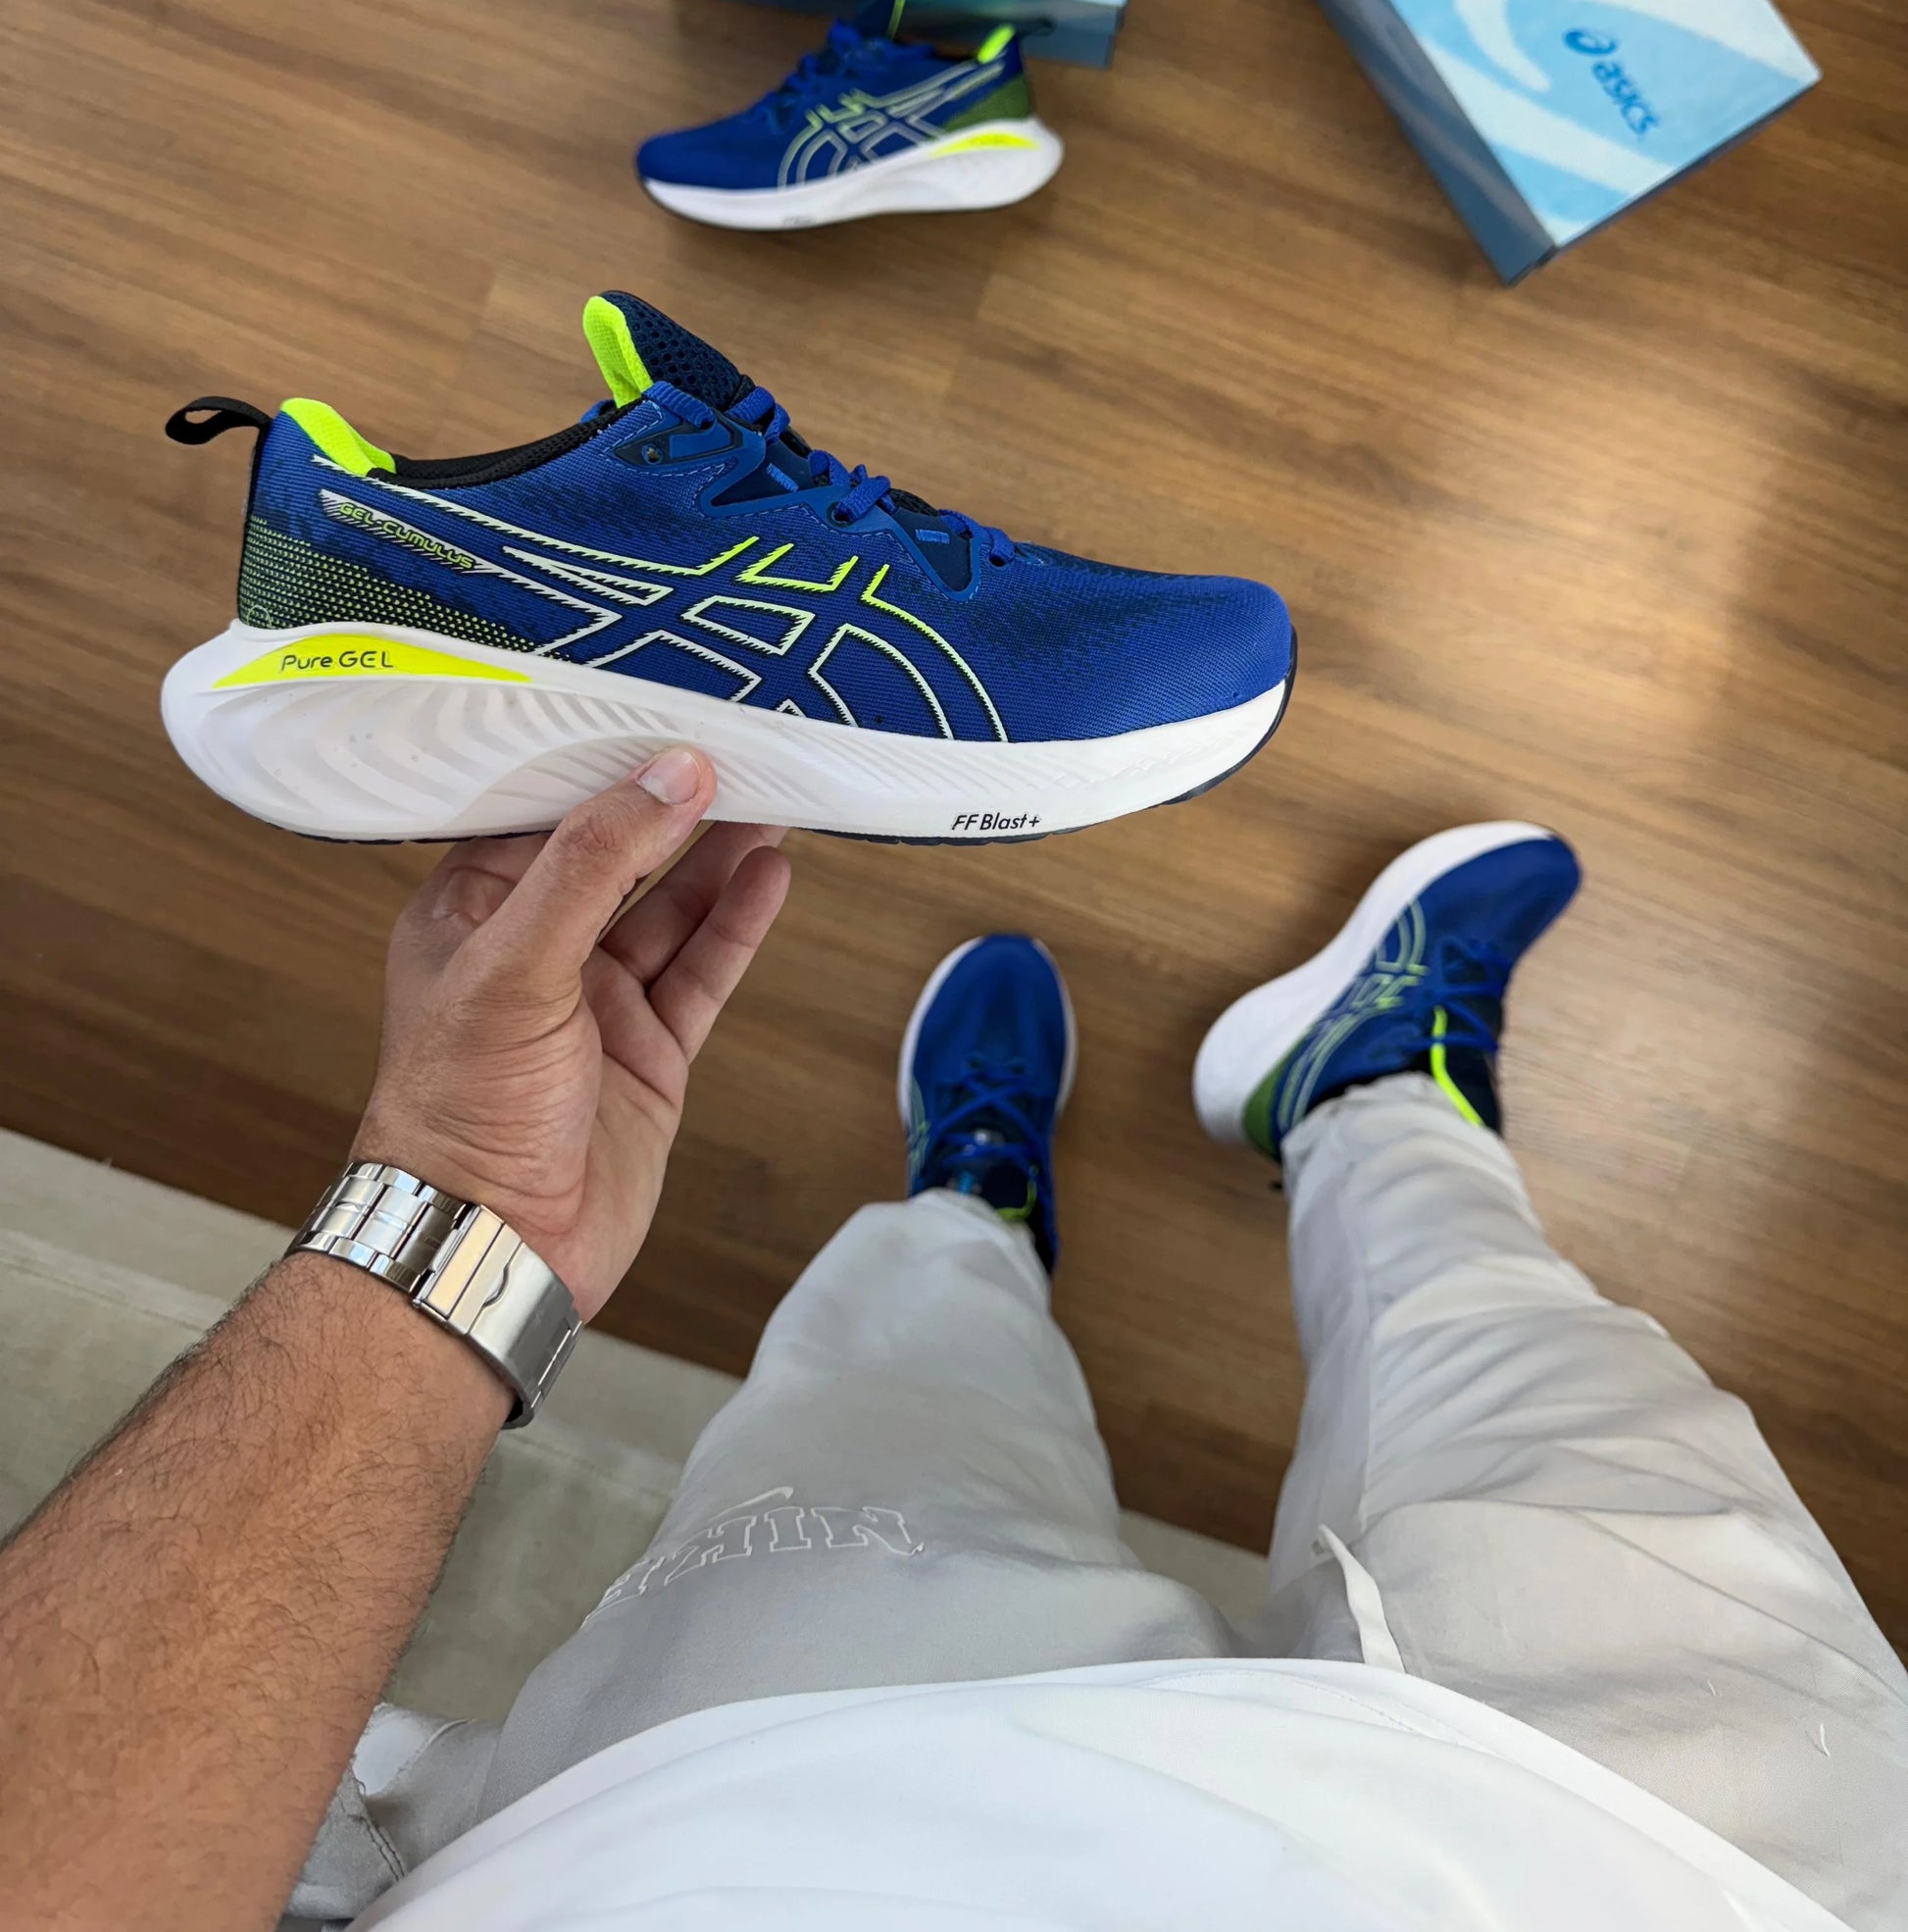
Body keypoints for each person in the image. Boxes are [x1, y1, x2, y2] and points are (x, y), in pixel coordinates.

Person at [2, 755, 1903, 1932]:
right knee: (1548, 1391)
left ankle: (972, 1213)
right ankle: (1370, 1093)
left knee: (903, 1398)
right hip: (1721, 1877)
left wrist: (455, 1210)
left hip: (773, 1834)